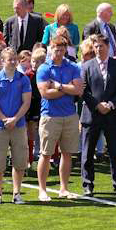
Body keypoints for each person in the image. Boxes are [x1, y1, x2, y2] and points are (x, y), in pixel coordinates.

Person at [35, 36, 83, 201]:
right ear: (51, 48)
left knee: (67, 153)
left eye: (62, 50)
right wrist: (67, 88)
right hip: (50, 116)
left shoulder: (72, 66)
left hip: (69, 115)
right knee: (46, 154)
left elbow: (78, 90)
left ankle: (64, 188)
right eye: (56, 49)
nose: (59, 53)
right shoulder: (44, 68)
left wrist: (59, 86)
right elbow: (45, 93)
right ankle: (42, 190)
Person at [80, 35, 116, 195]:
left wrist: (111, 104)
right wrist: (97, 105)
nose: (99, 49)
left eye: (101, 46)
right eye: (96, 46)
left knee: (115, 151)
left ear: (108, 47)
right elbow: (83, 90)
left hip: (112, 115)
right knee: (88, 152)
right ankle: (88, 185)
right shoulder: (86, 66)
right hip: (92, 115)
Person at [0, 48, 34, 205]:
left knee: (20, 161)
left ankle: (16, 193)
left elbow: (26, 102)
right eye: (9, 59)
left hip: (19, 126)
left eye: (15, 59)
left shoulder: (23, 79)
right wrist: (5, 119)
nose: (13, 62)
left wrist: (15, 119)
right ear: (2, 61)